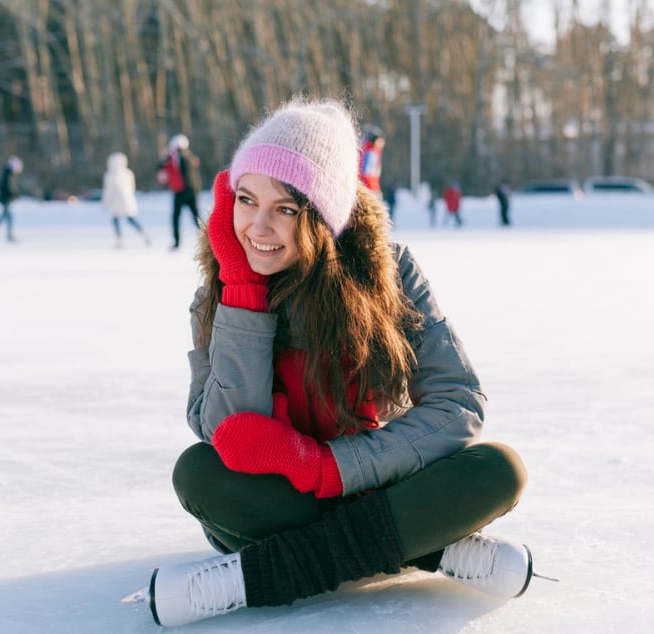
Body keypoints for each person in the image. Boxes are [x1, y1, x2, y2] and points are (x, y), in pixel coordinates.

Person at [126, 98, 545, 628]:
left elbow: (458, 403)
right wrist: (244, 297)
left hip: (385, 478)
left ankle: (252, 576)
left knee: (499, 469)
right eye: (247, 199)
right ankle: (425, 548)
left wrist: (325, 468)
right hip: (291, 501)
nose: (257, 226)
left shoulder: (389, 272)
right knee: (199, 474)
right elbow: (222, 430)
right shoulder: (222, 288)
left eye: (285, 209)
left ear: (323, 218)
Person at [155, 134, 201, 250]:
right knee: (196, 217)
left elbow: (161, 166)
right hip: (191, 190)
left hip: (181, 191)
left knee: (177, 217)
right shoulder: (190, 156)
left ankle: (177, 242)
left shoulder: (175, 157)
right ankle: (207, 240)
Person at [103, 152, 150, 247]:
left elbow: (109, 190)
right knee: (130, 219)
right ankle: (143, 233)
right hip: (127, 200)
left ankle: (119, 239)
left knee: (116, 219)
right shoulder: (128, 173)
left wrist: (106, 201)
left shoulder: (110, 175)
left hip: (116, 201)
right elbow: (132, 187)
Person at [0, 155, 23, 242]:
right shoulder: (8, 174)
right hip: (6, 199)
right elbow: (8, 187)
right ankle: (8, 235)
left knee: (4, 216)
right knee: (8, 217)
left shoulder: (8, 173)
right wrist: (14, 194)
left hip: (6, 198)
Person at [358, 125, 385, 200]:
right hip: (370, 188)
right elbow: (367, 171)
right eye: (381, 140)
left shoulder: (365, 149)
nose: (382, 143)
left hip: (366, 187)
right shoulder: (372, 152)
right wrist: (373, 189)